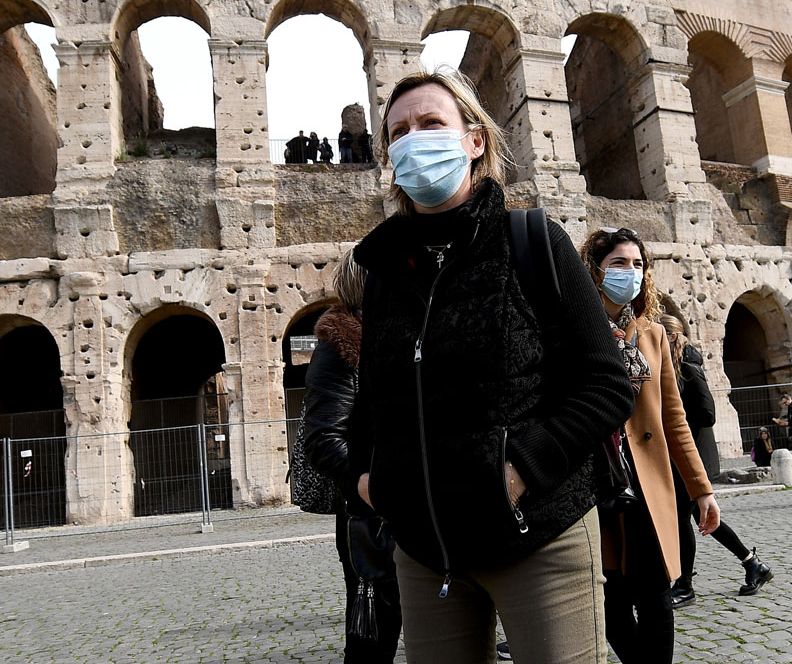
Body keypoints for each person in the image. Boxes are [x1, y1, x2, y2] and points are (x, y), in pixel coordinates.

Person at [347, 67, 635, 663]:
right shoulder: (383, 273)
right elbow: (373, 401)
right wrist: (370, 481)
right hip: (426, 551)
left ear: (474, 140)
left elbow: (607, 384)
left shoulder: (534, 241)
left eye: (431, 123)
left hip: (539, 534)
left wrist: (523, 466)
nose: (413, 140)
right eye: (398, 133)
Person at [579, 228, 720, 663]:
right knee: (611, 599)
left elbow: (674, 420)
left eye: (638, 264)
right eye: (619, 263)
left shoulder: (653, 335)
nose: (631, 272)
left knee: (656, 596)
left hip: (647, 484)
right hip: (596, 481)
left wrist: (702, 489)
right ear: (596, 270)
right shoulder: (575, 329)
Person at [303, 248, 402, 662]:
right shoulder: (339, 347)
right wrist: (369, 486)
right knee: (373, 638)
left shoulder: (397, 337)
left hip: (411, 505)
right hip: (372, 512)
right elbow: (323, 438)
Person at [660, 314, 774, 606]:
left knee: (684, 518)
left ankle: (684, 585)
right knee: (701, 517)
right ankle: (753, 563)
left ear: (671, 336)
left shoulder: (688, 367)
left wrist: (678, 426)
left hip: (695, 455)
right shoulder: (674, 366)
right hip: (684, 457)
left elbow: (708, 413)